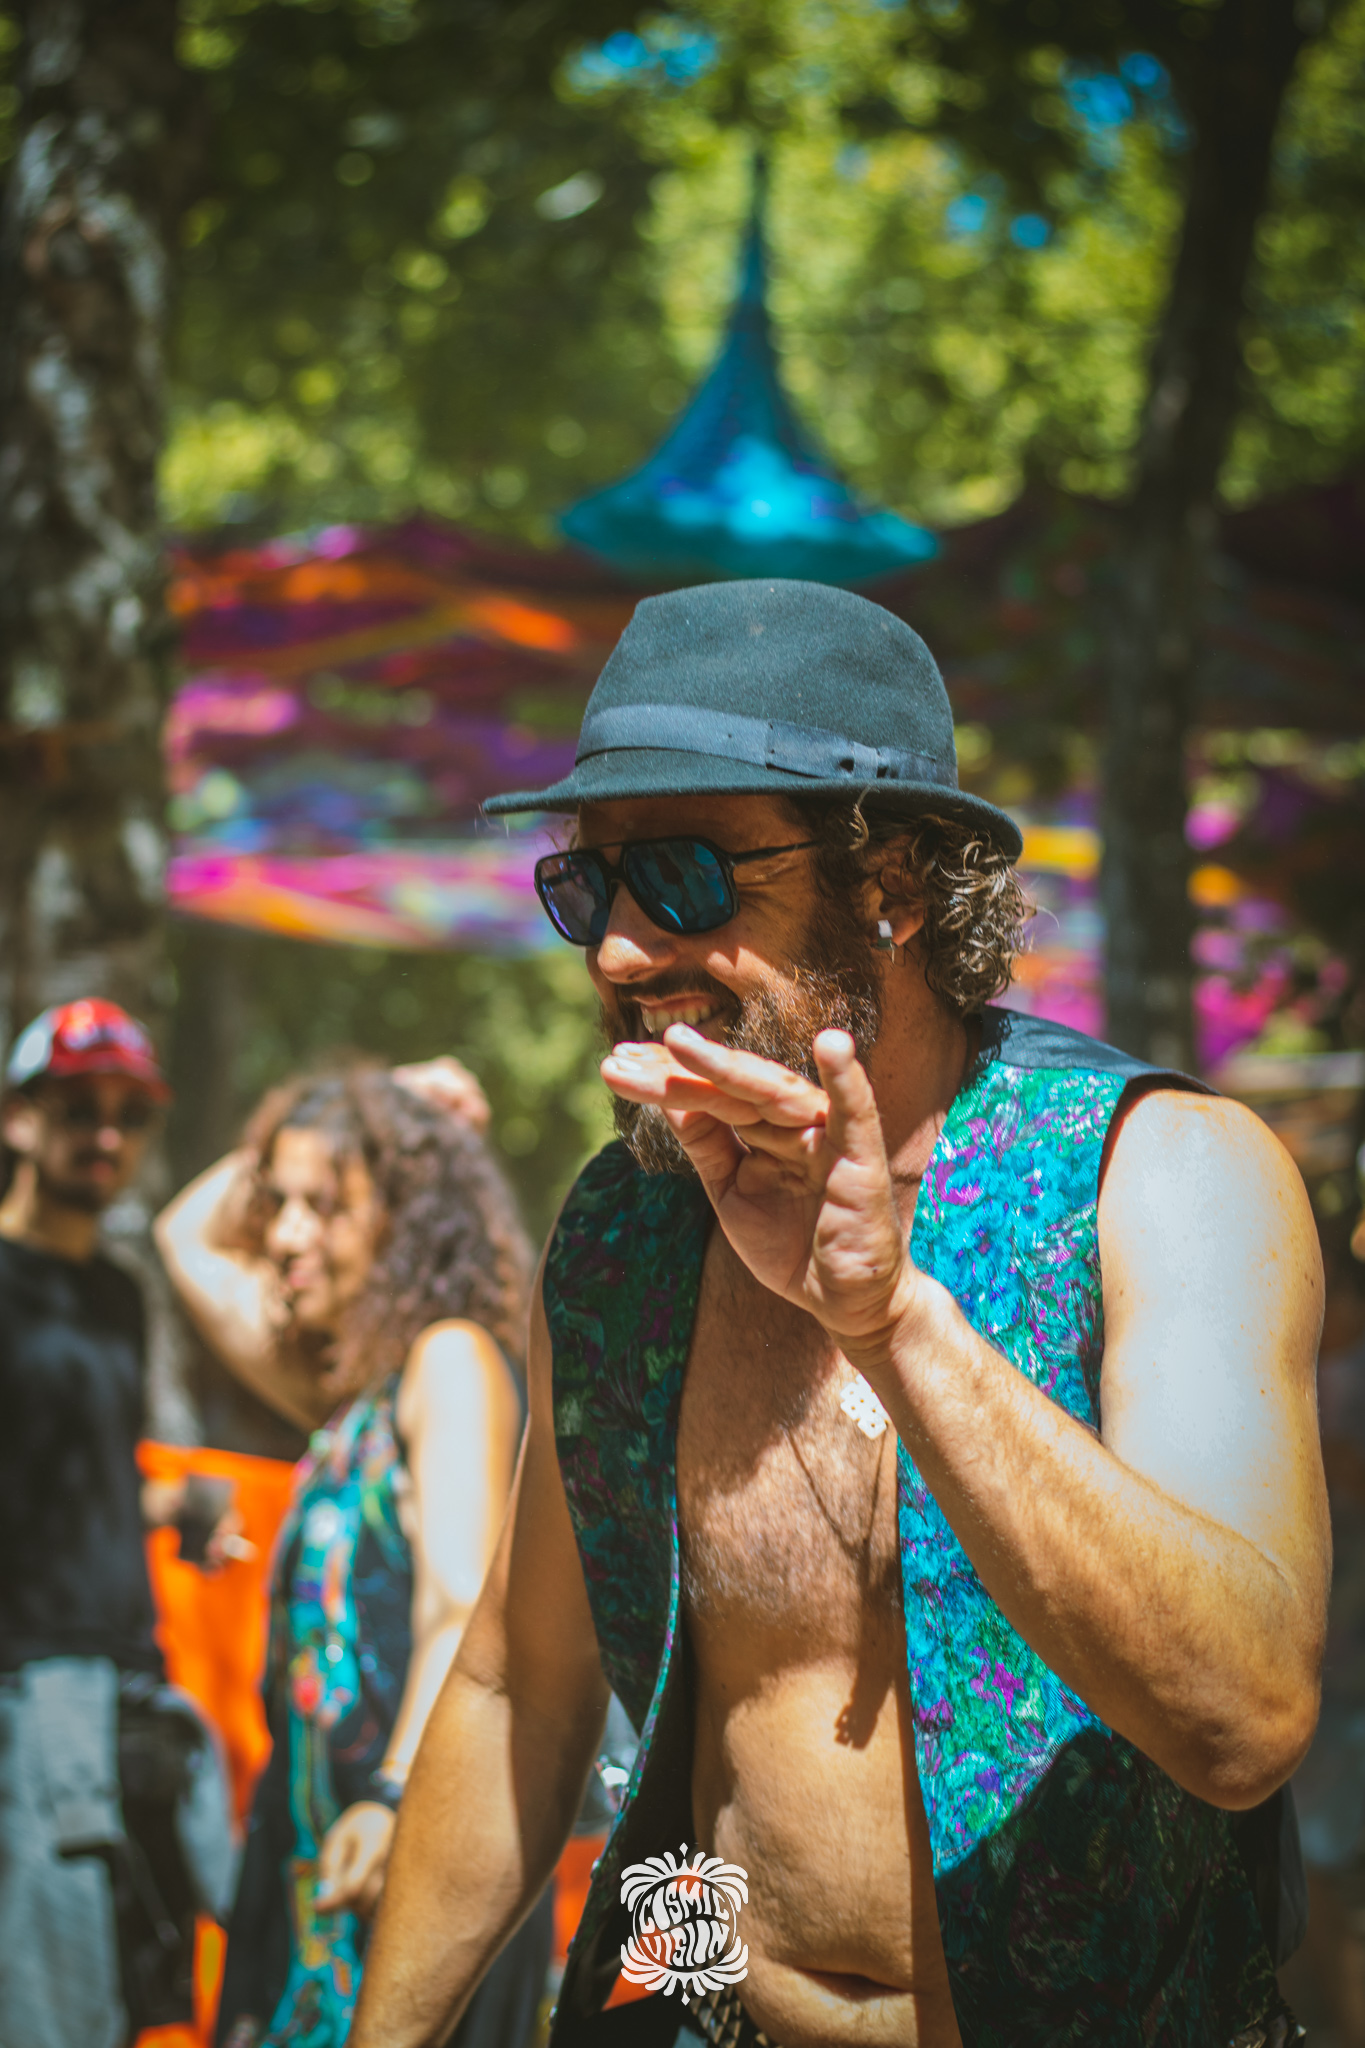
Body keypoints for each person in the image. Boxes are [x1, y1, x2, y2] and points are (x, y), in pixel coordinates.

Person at [350, 579, 1329, 2048]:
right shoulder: (622, 1234)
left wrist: (891, 1320)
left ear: (893, 883)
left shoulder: (1163, 1179)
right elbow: (517, 1689)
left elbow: (1244, 1722)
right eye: (588, 887)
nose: (617, 950)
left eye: (684, 876)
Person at [156, 1057, 551, 2048]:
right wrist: (376, 1097)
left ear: (403, 1219)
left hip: (409, 1849)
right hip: (317, 1859)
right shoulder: (346, 1396)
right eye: (277, 1204)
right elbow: (184, 1233)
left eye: (324, 1206)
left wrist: (393, 1795)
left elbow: (459, 1603)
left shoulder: (449, 1359)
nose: (283, 1235)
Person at [0, 998, 235, 2048]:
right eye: (79, 1107)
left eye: (130, 1115)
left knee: (146, 2004)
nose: (106, 1134)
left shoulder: (117, 1296)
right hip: (27, 1701)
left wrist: (174, 1507)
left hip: (133, 1692)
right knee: (50, 2014)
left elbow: (80, 1475)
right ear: (19, 1117)